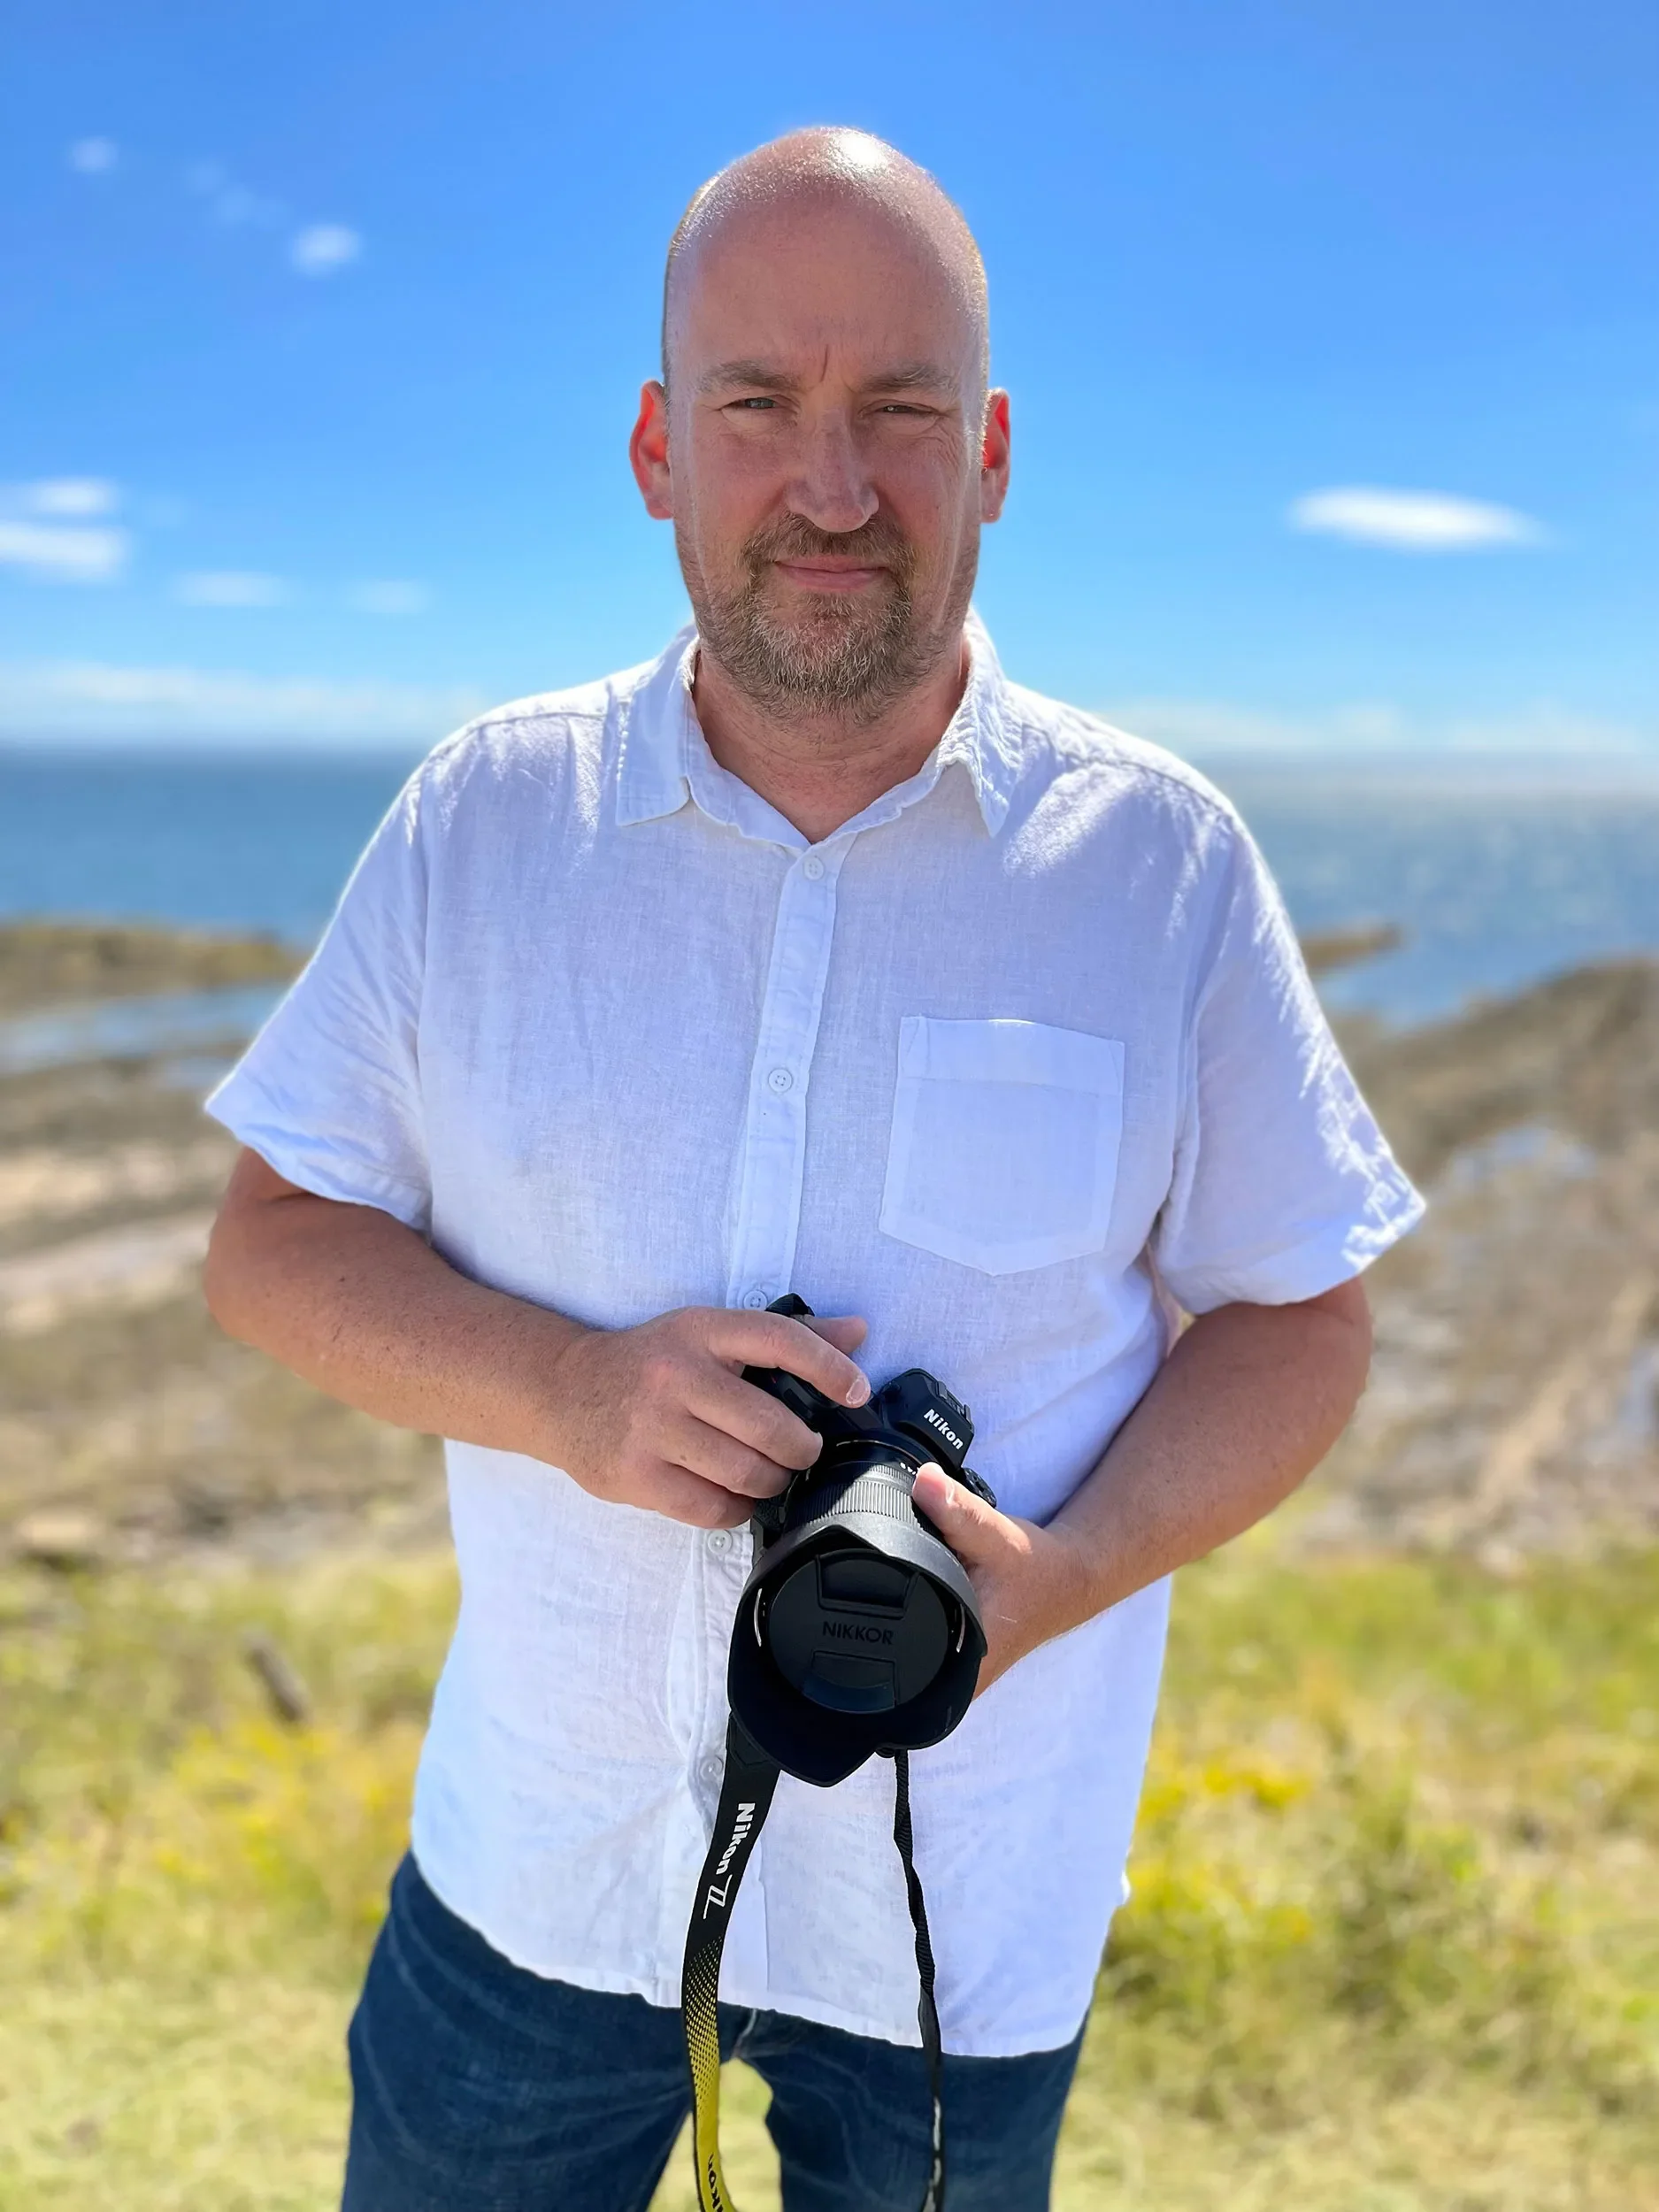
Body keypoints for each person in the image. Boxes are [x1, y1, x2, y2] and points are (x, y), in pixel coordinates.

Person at [203, 126, 1424, 2212]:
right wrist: (566, 1388)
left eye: (902, 412)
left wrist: (1064, 1574)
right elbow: (272, 1241)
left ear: (994, 453)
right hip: (544, 1862)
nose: (833, 487)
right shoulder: (483, 821)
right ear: (658, 449)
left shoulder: (1158, 864)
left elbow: (1298, 1315)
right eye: (760, 404)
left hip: (972, 1890)